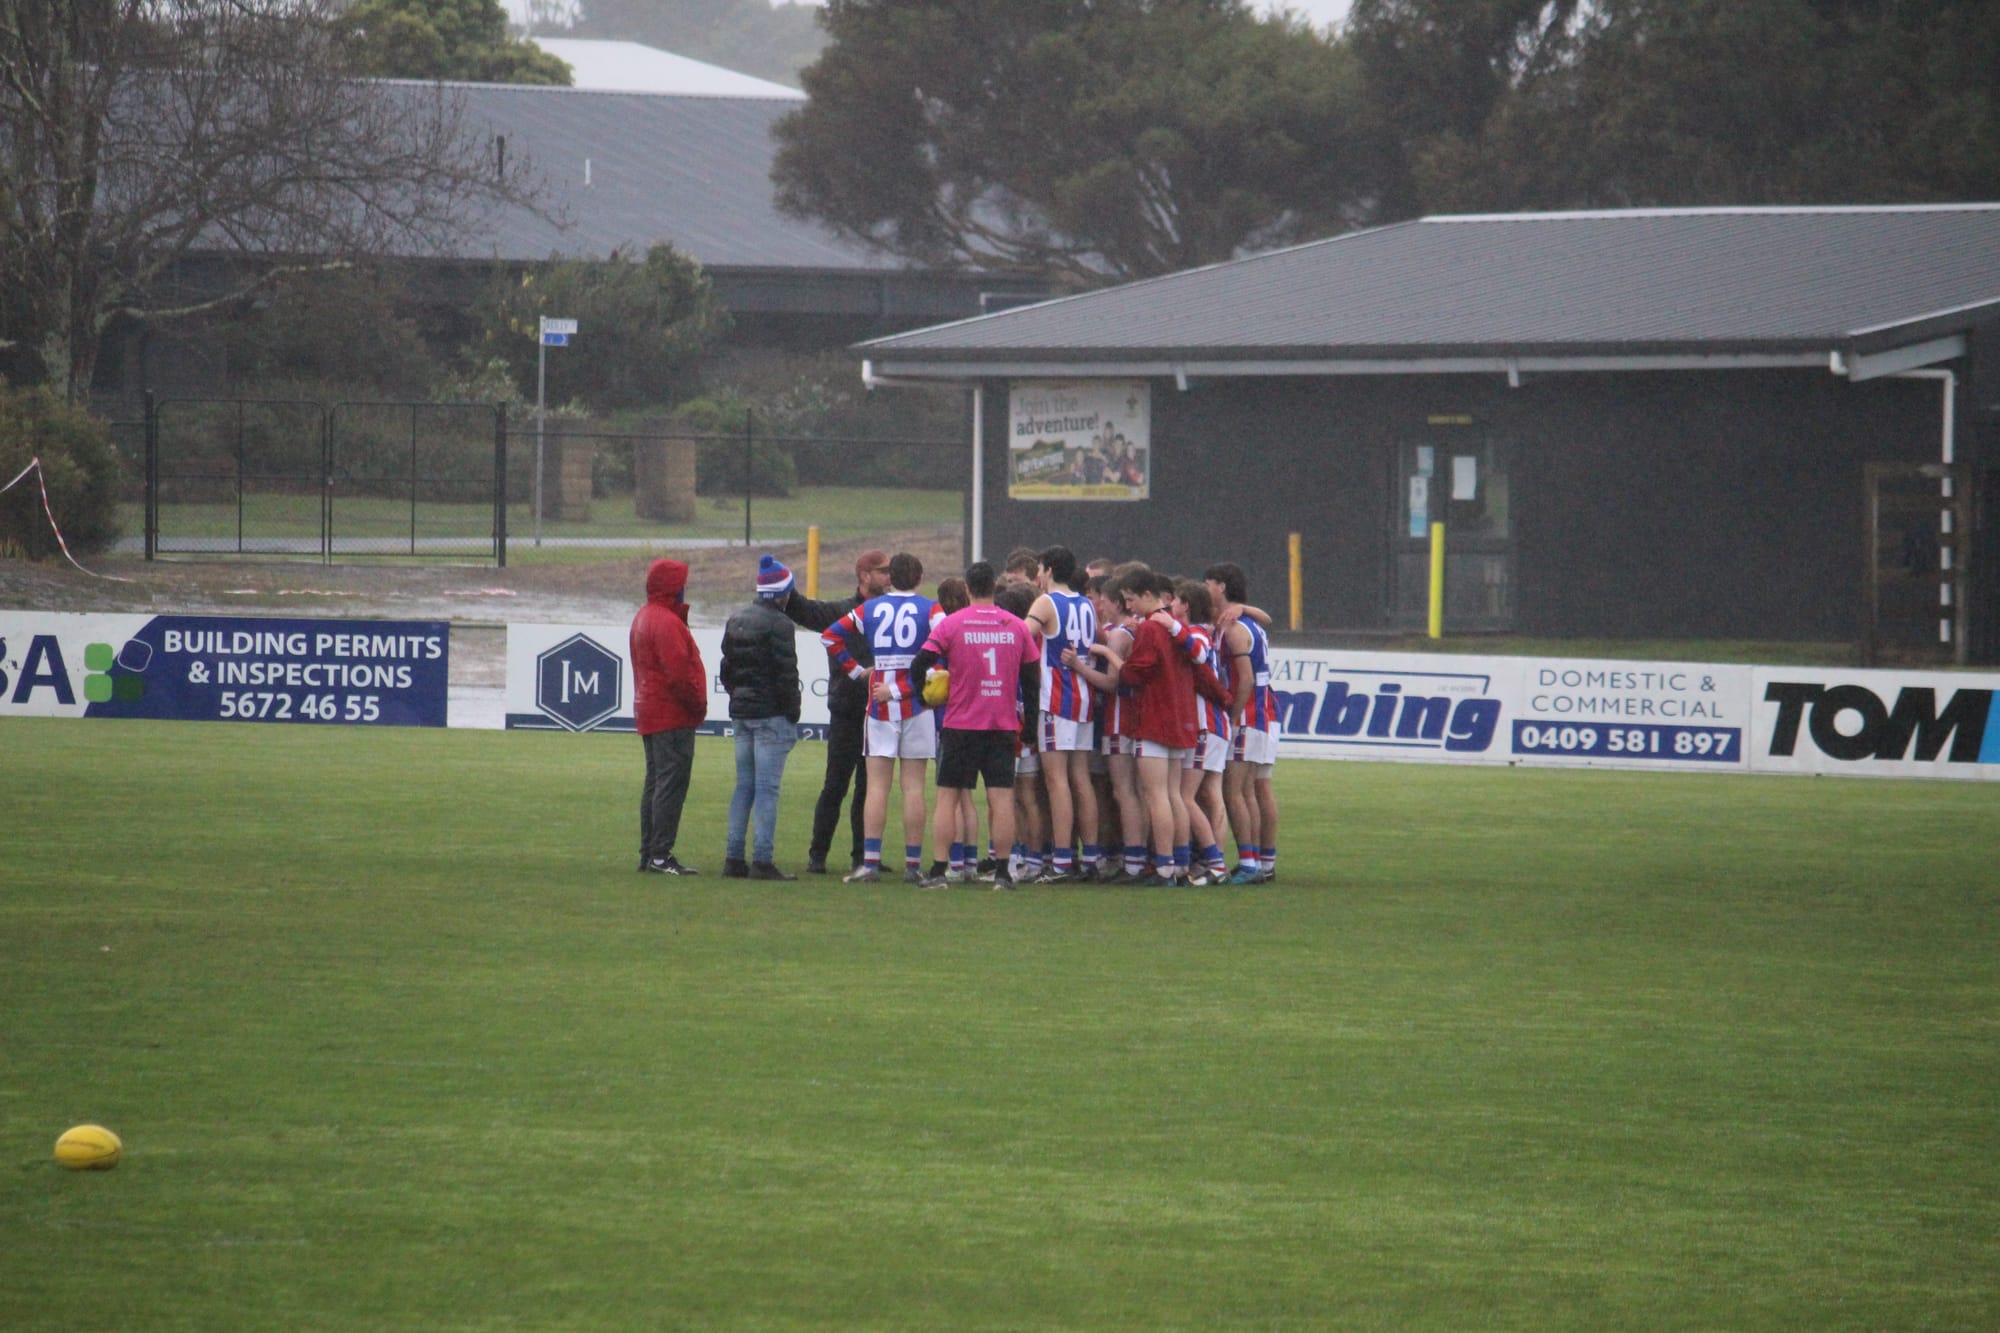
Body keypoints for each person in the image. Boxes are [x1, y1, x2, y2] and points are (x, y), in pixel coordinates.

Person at [906, 561, 1040, 890]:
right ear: (994, 588)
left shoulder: (952, 625)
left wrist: (922, 698)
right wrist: (1032, 724)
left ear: (967, 589)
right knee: (1001, 799)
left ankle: (938, 871)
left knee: (947, 798)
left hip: (961, 723)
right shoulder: (1017, 626)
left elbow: (920, 663)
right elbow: (1033, 680)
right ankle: (1004, 873)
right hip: (1002, 723)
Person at [825, 552, 943, 885]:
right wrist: (908, 686)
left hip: (879, 705)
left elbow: (830, 636)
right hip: (917, 706)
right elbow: (943, 652)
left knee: (876, 788)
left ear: (890, 578)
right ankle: (912, 866)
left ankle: (870, 863)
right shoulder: (931, 609)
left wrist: (858, 672)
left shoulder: (871, 608)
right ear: (919, 579)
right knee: (914, 788)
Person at [778, 548, 891, 874]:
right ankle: (818, 855)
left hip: (878, 713)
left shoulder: (890, 614)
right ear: (864, 575)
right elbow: (802, 609)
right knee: (836, 786)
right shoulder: (842, 611)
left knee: (869, 789)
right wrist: (782, 580)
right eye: (882, 570)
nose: (888, 576)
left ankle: (864, 856)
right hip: (847, 712)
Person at [718, 555, 804, 880]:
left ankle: (733, 858)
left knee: (744, 787)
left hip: (741, 712)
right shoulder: (781, 625)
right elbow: (787, 674)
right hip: (771, 715)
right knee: (767, 788)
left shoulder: (736, 618)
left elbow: (727, 669)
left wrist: (737, 697)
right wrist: (792, 711)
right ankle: (763, 860)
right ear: (782, 593)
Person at [1025, 545, 1100, 882]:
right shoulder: (1086, 603)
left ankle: (1062, 862)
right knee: (1080, 779)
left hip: (1057, 699)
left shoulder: (1047, 602)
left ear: (1050, 570)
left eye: (1040, 569)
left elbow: (1020, 636)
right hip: (1084, 698)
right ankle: (1092, 857)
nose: (1038, 577)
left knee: (1057, 782)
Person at [631, 557, 707, 876]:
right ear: (672, 587)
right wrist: (697, 705)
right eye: (681, 584)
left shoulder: (645, 616)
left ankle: (650, 852)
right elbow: (679, 674)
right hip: (671, 713)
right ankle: (660, 854)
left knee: (656, 781)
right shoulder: (666, 622)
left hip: (650, 710)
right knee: (670, 783)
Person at [1207, 561, 1280, 884]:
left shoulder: (1236, 627)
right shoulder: (1246, 620)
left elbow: (1245, 679)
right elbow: (1267, 619)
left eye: (1209, 582)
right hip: (1263, 713)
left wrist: (1233, 717)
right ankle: (1260, 862)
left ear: (1221, 586)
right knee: (1250, 790)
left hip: (1249, 714)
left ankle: (1250, 863)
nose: (1205, 587)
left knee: (1234, 791)